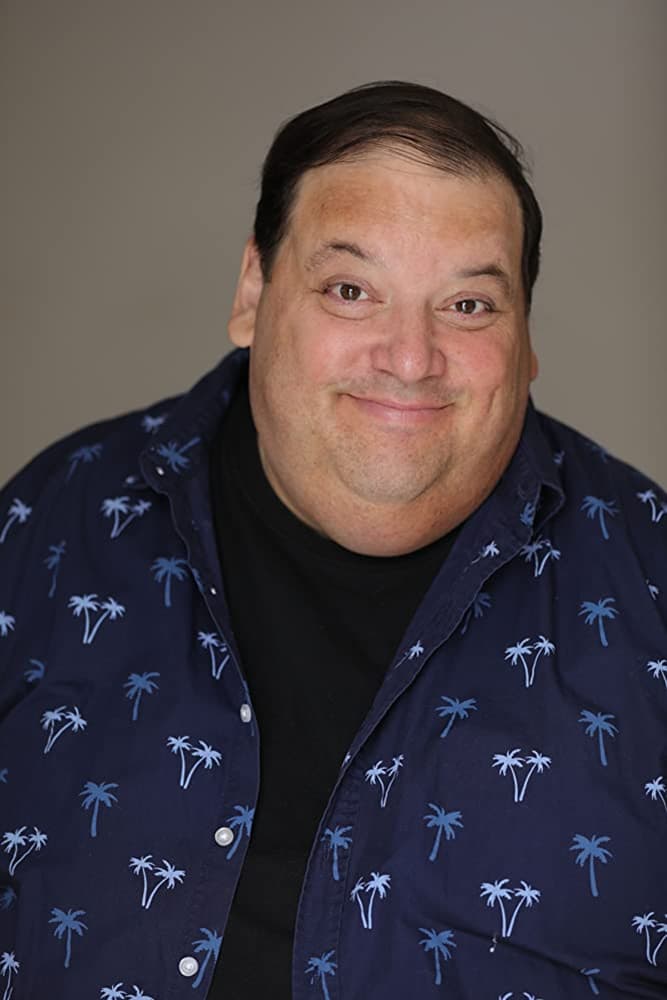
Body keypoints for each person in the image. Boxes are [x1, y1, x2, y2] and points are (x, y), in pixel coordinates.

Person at [0, 81, 665, 1000]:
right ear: (253, 291)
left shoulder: (650, 581)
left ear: (525, 336)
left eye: (468, 305)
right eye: (351, 291)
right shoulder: (48, 526)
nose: (409, 358)